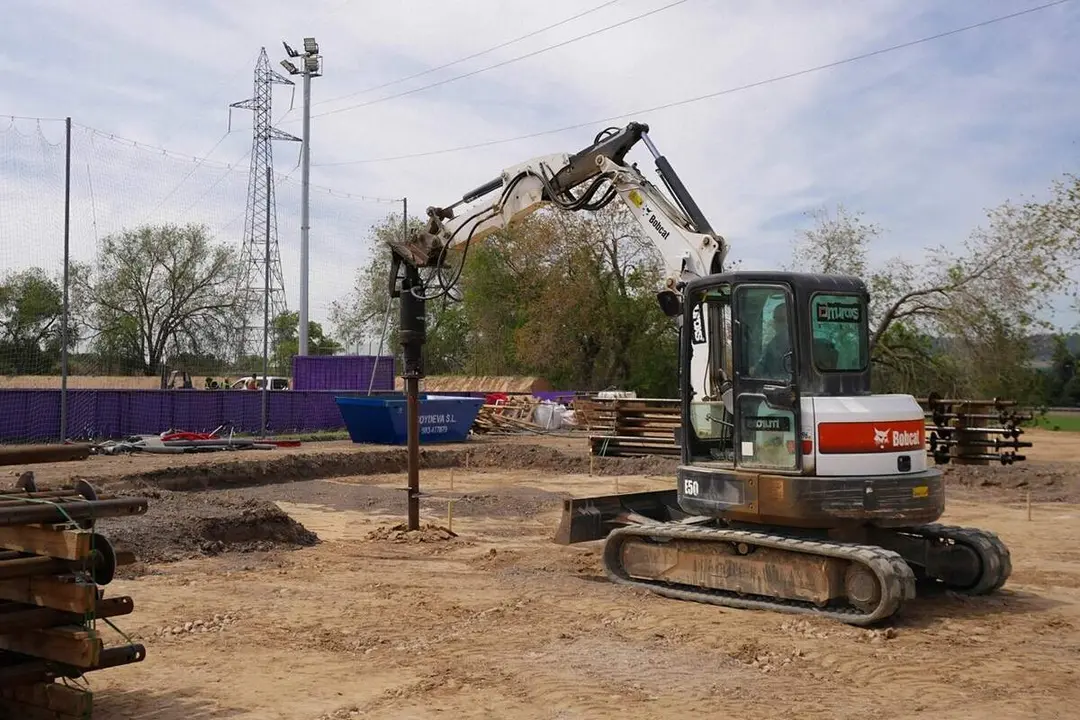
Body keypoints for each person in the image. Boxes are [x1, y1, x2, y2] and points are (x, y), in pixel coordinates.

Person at [755, 302, 792, 379]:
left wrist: (752, 371)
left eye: (779, 320)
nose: (775, 323)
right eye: (776, 319)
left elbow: (759, 371)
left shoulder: (773, 345)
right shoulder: (803, 342)